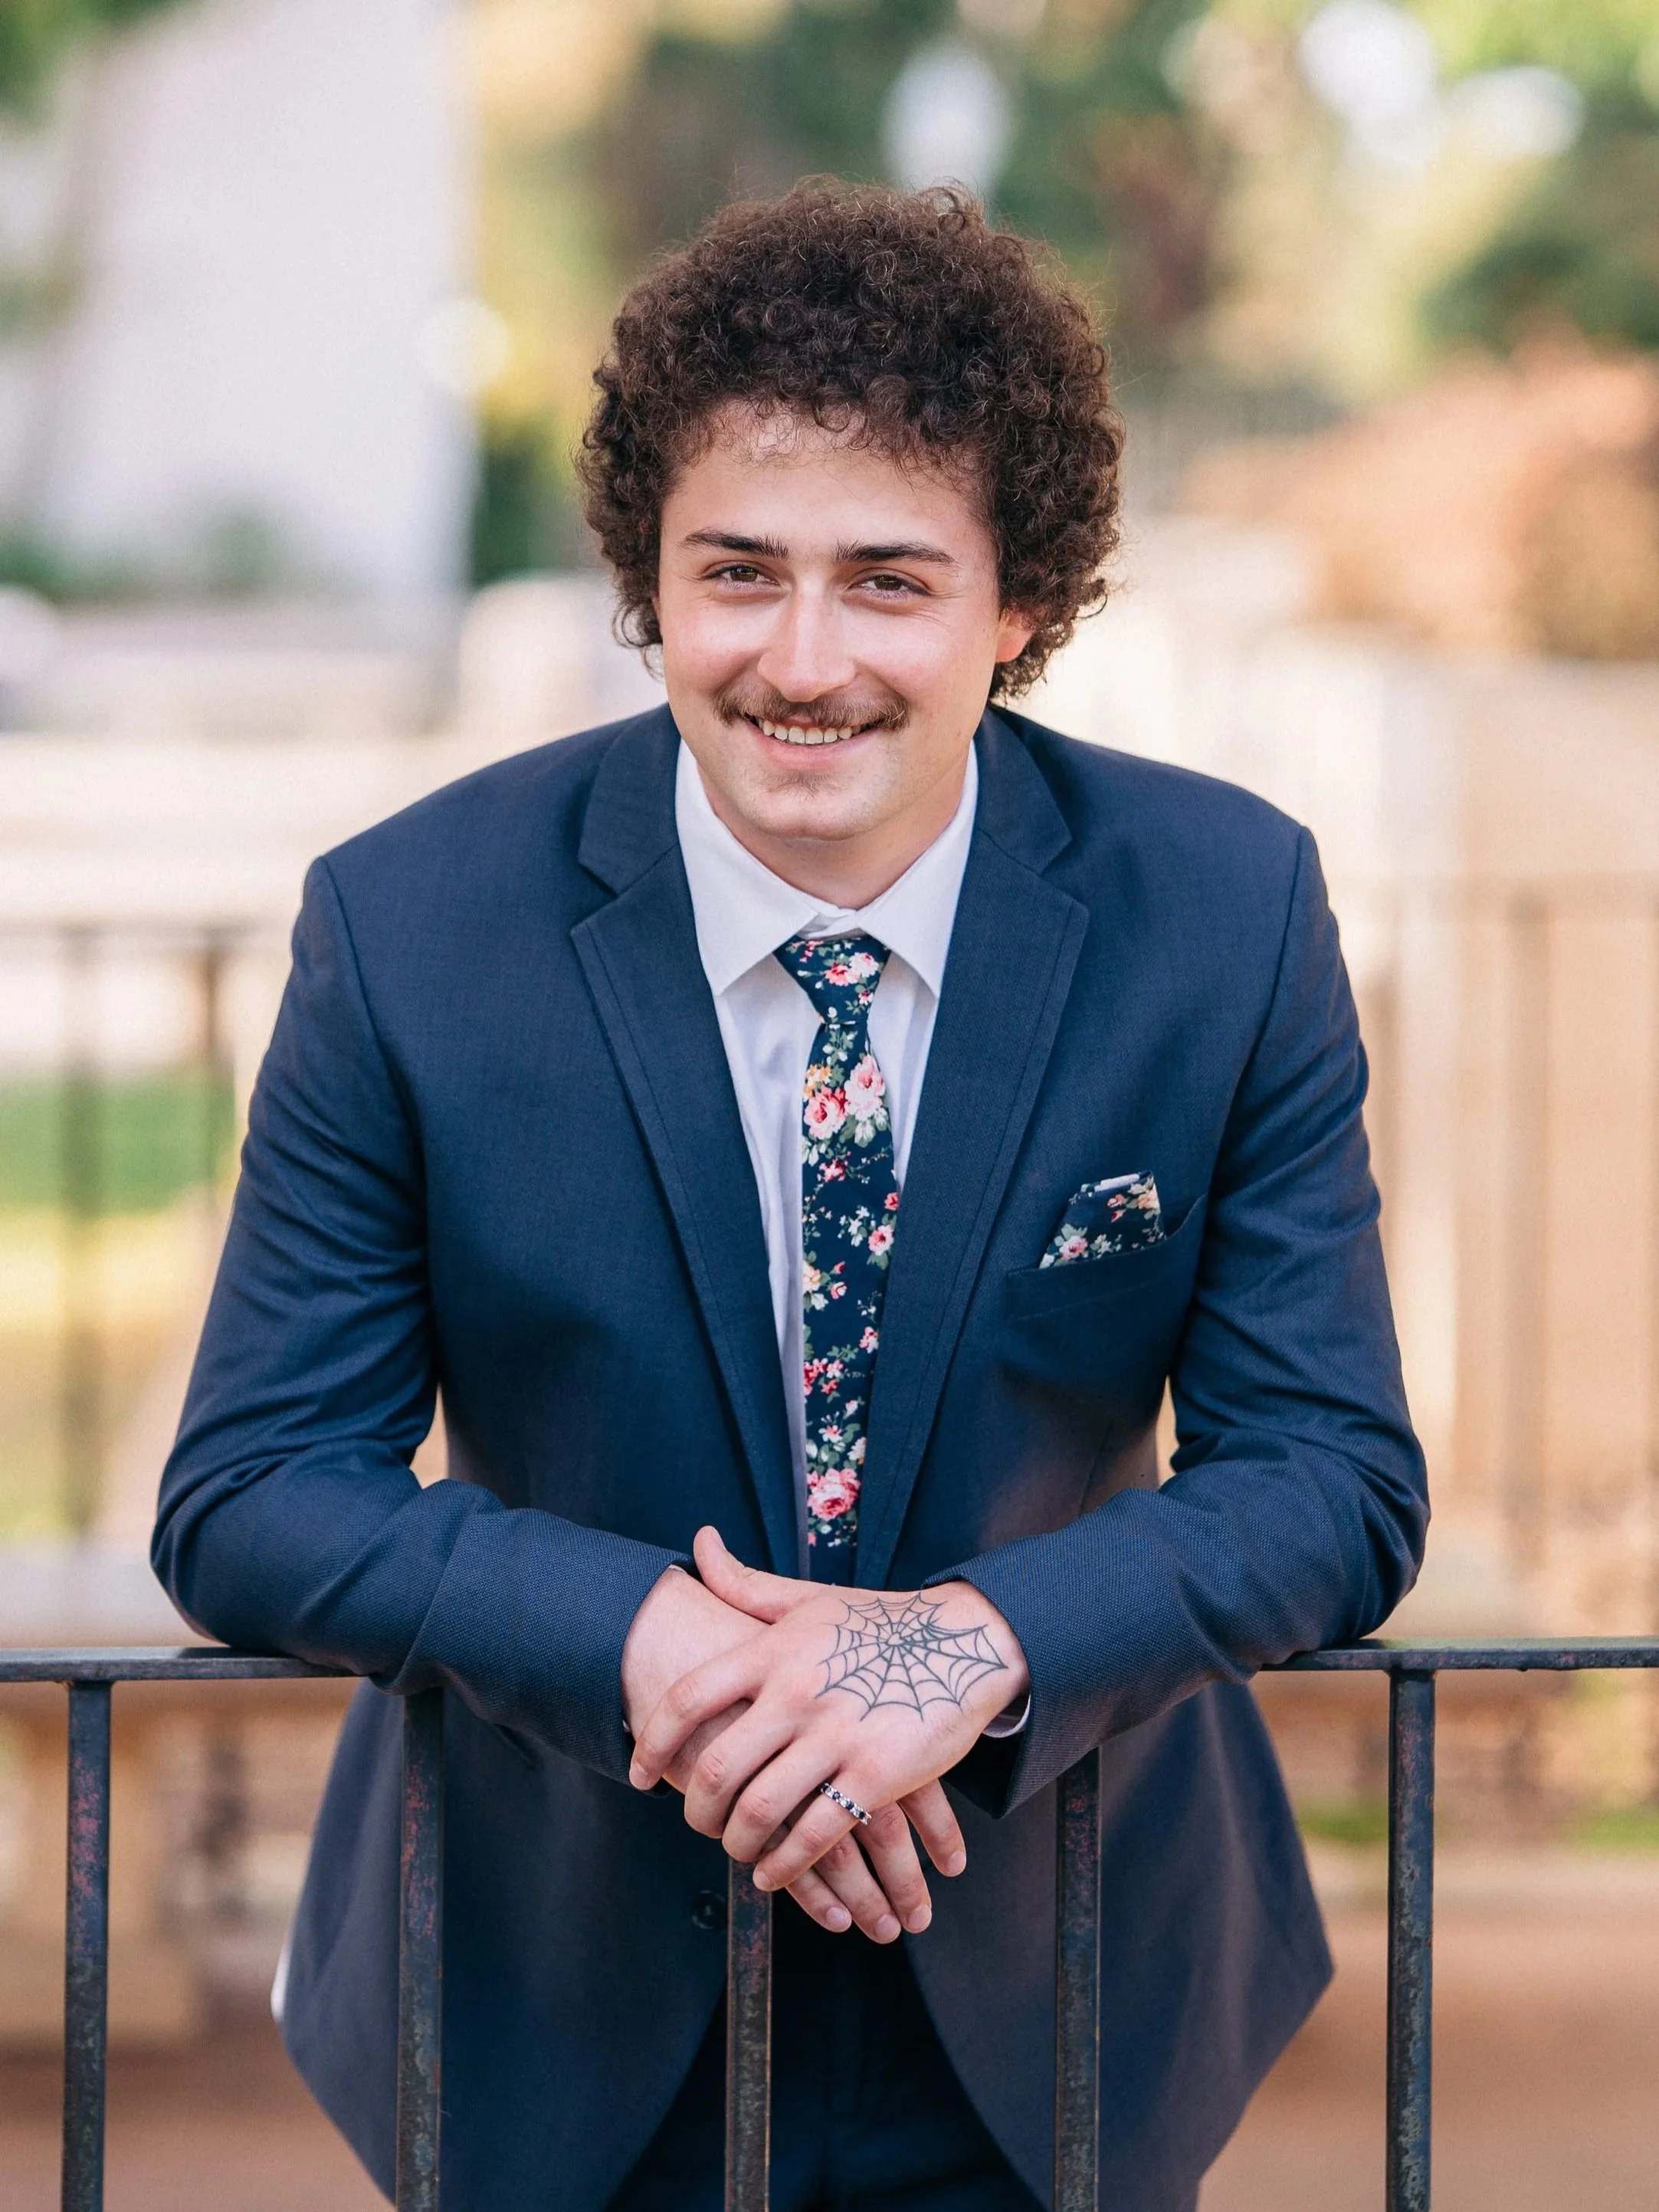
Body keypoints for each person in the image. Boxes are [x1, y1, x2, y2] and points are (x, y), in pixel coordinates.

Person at [152, 183, 1427, 2212]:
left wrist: (938, 1656)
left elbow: (1332, 1475)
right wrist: (643, 1635)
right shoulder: (406, 926)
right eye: (735, 572)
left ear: (1018, 606)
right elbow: (251, 1484)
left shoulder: (1222, 909)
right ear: (648, 582)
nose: (803, 661)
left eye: (889, 580)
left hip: (1062, 1988)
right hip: (550, 2004)